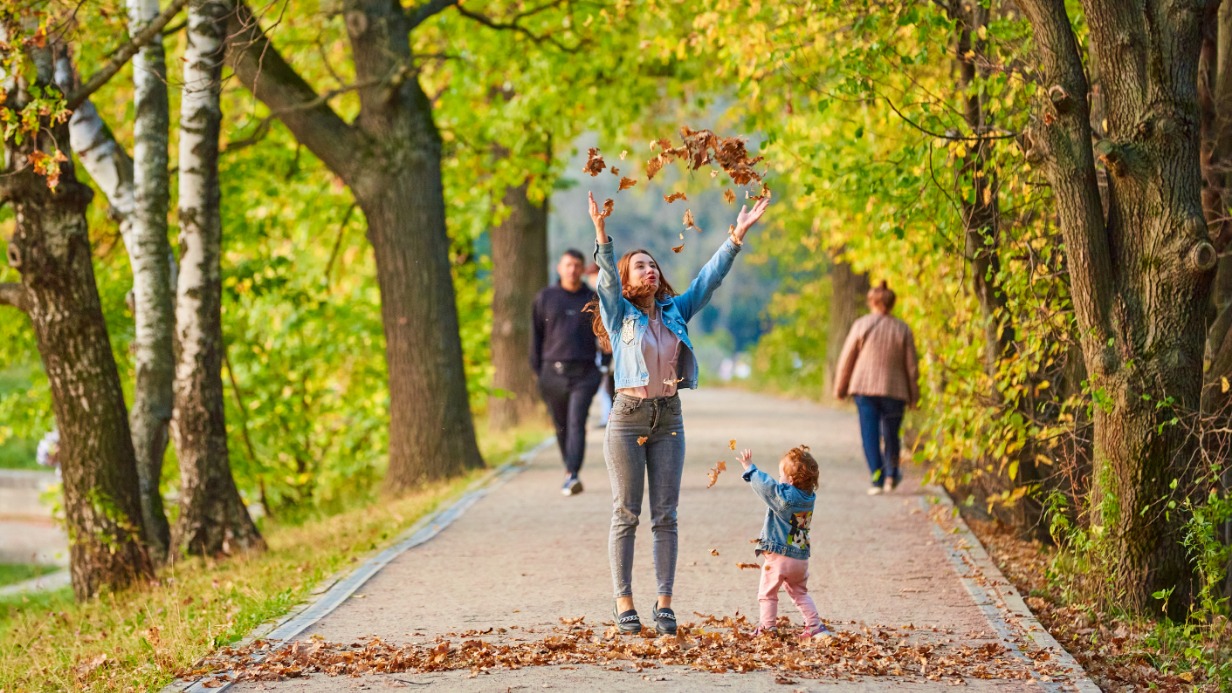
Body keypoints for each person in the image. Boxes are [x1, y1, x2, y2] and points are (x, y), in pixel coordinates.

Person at [587, 191, 770, 636]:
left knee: (664, 514)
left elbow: (708, 280)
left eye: (654, 265)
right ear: (630, 279)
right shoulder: (619, 315)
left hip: (669, 417)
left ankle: (664, 603)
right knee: (626, 512)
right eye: (641, 266)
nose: (650, 270)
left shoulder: (674, 311)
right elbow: (607, 281)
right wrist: (601, 234)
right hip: (628, 417)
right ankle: (624, 600)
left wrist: (736, 237)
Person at [832, 281, 920, 495]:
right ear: (891, 303)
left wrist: (840, 389)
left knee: (869, 434)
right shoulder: (903, 328)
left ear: (872, 301)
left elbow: (847, 360)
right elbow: (912, 367)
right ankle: (891, 475)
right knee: (891, 434)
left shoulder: (861, 325)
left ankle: (877, 478)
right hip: (895, 391)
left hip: (864, 389)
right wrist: (914, 396)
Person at [736, 446, 830, 639]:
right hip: (800, 557)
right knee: (800, 593)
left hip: (780, 557)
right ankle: (815, 627)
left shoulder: (785, 498)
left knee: (767, 593)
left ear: (791, 480)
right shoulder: (809, 497)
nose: (779, 479)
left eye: (781, 476)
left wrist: (750, 468)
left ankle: (768, 628)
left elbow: (766, 487)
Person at [531, 249, 604, 496]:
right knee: (561, 425)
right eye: (568, 265)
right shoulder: (545, 298)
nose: (572, 269)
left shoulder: (592, 298)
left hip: (584, 372)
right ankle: (569, 469)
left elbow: (604, 333)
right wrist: (538, 372)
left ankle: (573, 473)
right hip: (552, 372)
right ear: (559, 268)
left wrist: (604, 363)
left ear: (583, 269)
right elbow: (536, 337)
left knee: (576, 421)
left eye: (577, 265)